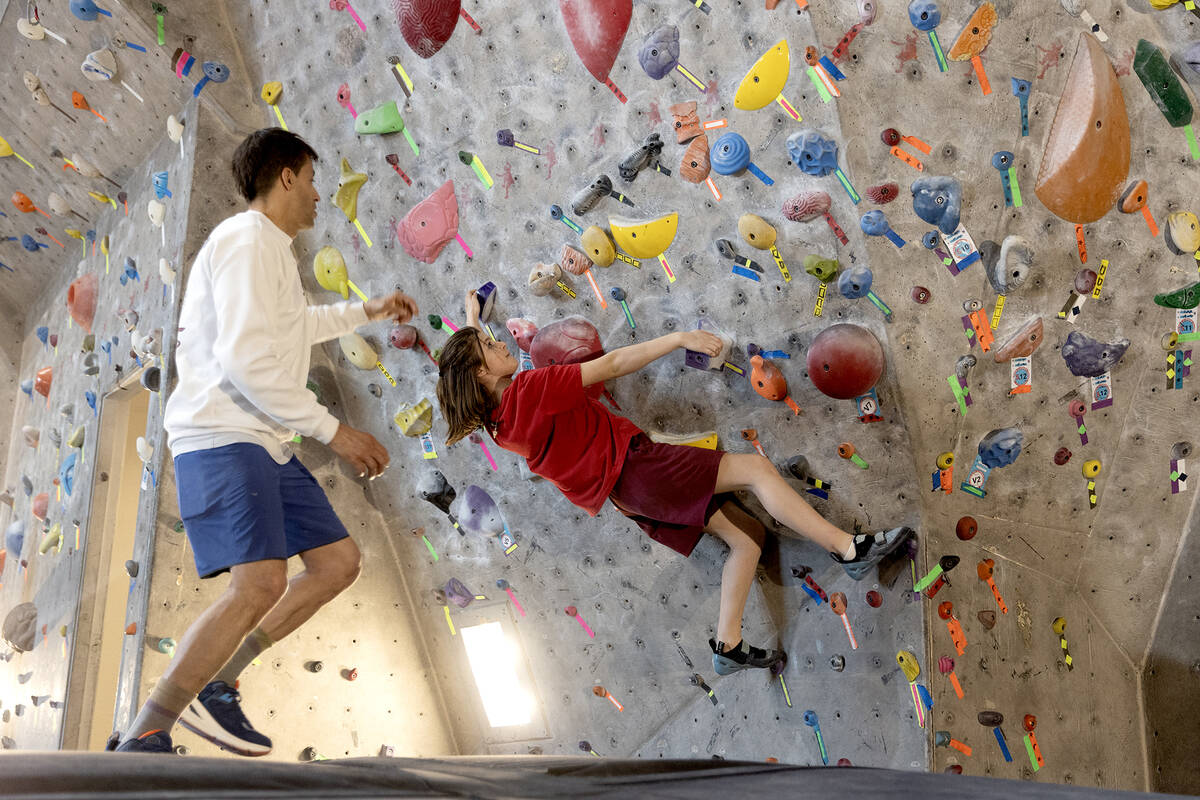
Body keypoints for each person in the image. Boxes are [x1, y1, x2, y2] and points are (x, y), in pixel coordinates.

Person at [111, 129, 419, 755]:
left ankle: (220, 679)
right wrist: (336, 432)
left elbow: (294, 325)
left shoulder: (269, 248)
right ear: (284, 176)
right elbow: (248, 361)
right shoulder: (247, 240)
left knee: (337, 564)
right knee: (258, 583)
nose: (317, 195)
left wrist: (366, 310)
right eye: (311, 179)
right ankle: (149, 726)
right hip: (222, 434)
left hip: (263, 440)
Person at [436, 294, 912, 677]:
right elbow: (615, 363)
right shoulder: (529, 391)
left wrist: (474, 316)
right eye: (491, 348)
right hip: (639, 469)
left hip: (630, 499)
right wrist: (678, 338)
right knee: (758, 471)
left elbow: (478, 356)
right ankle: (849, 550)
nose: (502, 346)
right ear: (481, 372)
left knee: (747, 540)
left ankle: (728, 646)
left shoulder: (498, 427)